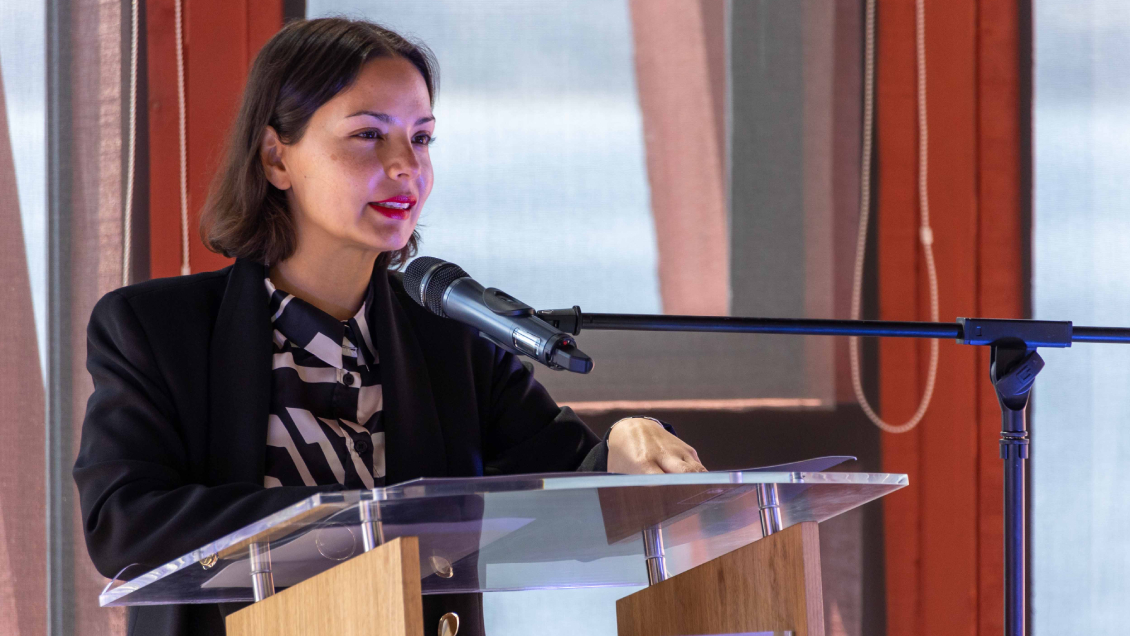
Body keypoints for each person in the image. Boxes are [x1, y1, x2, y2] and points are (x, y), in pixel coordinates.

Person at [73, 17, 706, 636]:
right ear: (276, 158)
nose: (407, 165)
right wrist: (374, 525)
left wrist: (629, 440)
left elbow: (574, 483)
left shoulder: (450, 338)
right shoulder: (155, 329)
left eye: (422, 137)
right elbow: (124, 525)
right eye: (370, 136)